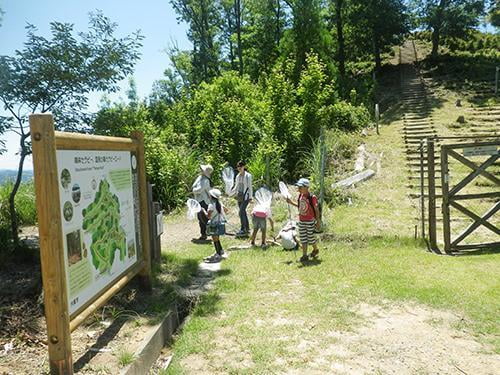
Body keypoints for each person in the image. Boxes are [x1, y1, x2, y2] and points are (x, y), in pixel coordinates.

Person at [286, 178, 321, 262]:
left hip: (310, 220)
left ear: (306, 187)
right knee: (303, 238)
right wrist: (290, 202)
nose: (298, 189)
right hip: (301, 220)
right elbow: (300, 206)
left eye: (300, 187)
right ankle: (304, 255)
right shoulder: (300, 197)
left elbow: (316, 209)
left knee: (310, 237)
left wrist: (318, 221)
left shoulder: (312, 197)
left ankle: (315, 249)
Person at [204, 188, 228, 263]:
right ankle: (220, 251)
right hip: (220, 223)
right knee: (217, 238)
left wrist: (203, 211)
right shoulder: (220, 203)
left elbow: (208, 216)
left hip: (214, 224)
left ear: (211, 196)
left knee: (215, 239)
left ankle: (218, 254)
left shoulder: (211, 205)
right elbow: (226, 210)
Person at [192, 164, 213, 240]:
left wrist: (194, 190)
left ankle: (207, 233)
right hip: (198, 200)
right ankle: (203, 234)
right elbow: (194, 187)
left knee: (203, 217)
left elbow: (199, 189)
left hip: (204, 201)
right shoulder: (200, 178)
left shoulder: (206, 180)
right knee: (200, 218)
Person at [232, 160, 253, 237]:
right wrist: (231, 193)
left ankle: (243, 228)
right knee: (243, 212)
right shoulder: (238, 176)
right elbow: (236, 186)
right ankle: (246, 228)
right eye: (238, 167)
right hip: (239, 196)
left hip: (246, 196)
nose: (239, 168)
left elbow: (250, 187)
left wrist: (250, 197)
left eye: (240, 167)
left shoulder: (248, 176)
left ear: (244, 167)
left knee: (241, 211)